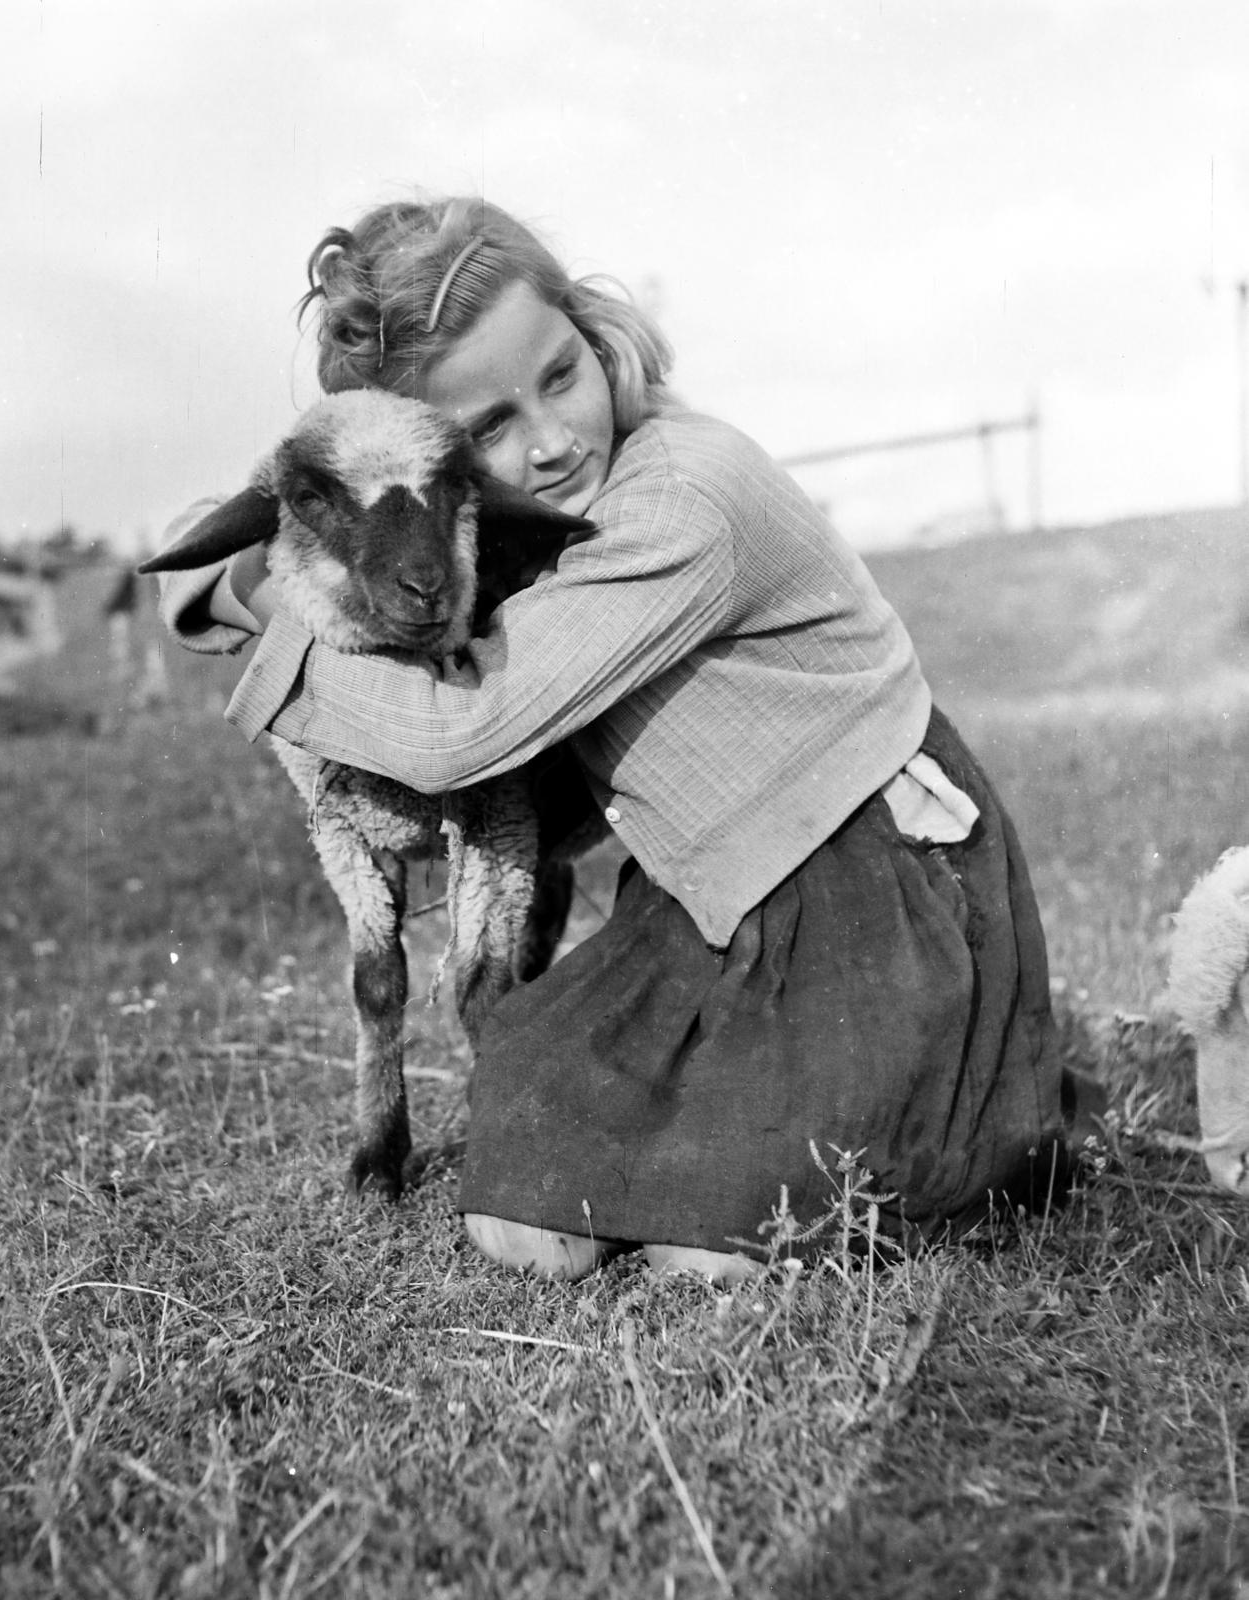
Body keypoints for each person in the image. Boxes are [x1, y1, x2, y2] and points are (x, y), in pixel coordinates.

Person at [155, 195, 1075, 1283]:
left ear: (596, 336)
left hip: (874, 891)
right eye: (488, 426)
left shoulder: (678, 500)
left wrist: (259, 614)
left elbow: (473, 730)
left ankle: (917, 1138)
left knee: (719, 1245)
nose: (546, 442)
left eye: (558, 374)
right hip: (718, 901)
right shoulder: (527, 522)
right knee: (524, 1210)